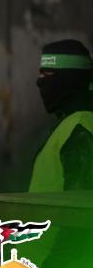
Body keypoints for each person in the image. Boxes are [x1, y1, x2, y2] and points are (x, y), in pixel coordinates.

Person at [30, 39, 93, 192]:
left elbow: (79, 201)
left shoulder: (79, 127)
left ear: (69, 79)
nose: (39, 82)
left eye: (47, 74)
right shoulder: (69, 124)